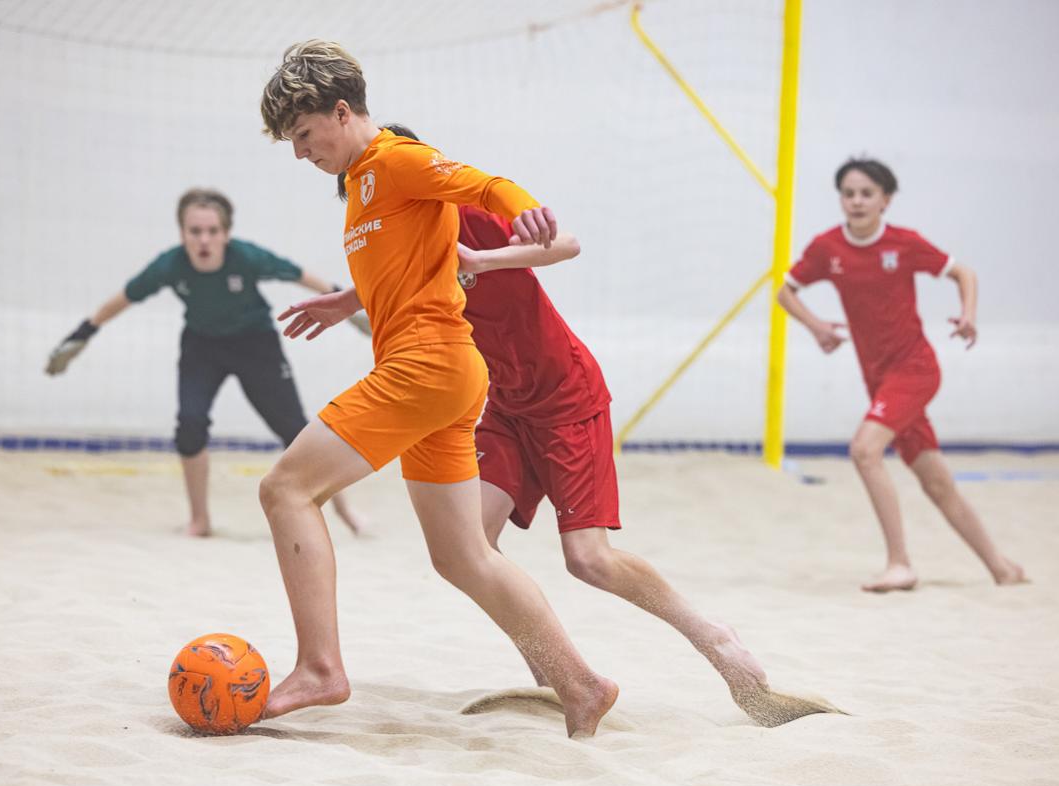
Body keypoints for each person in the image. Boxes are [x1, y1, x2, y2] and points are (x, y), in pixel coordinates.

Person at [338, 122, 830, 726]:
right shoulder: (397, 239)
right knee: (469, 546)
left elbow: (566, 244)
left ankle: (718, 640)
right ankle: (555, 674)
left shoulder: (463, 214)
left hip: (565, 396)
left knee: (589, 559)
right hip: (503, 405)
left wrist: (483, 261)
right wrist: (345, 302)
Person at [257, 40, 618, 737]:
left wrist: (527, 211)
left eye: (303, 134)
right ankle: (581, 686)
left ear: (340, 111)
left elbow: (486, 184)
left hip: (424, 368)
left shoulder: (393, 157)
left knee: (285, 489)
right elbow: (407, 264)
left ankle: (320, 669)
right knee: (461, 555)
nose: (300, 153)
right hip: (445, 375)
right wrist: (345, 301)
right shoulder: (361, 185)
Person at [45, 188, 365, 539]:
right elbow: (122, 299)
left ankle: (345, 512)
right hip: (202, 346)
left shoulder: (247, 257)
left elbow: (300, 275)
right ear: (182, 233)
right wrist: (82, 334)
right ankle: (199, 521)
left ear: (226, 234)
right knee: (190, 425)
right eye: (195, 231)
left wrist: (349, 309)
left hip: (255, 344)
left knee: (293, 430)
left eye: (212, 231)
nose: (204, 240)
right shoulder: (169, 265)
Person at [777, 158, 1027, 592]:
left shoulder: (904, 243)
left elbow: (963, 272)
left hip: (915, 369)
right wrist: (817, 328)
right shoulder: (827, 248)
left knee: (864, 451)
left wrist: (968, 315)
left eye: (866, 194)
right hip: (878, 380)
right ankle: (1002, 568)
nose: (856, 201)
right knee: (936, 482)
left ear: (885, 200)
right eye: (848, 193)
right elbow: (785, 292)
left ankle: (899, 564)